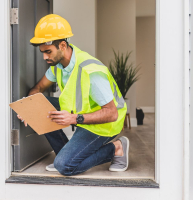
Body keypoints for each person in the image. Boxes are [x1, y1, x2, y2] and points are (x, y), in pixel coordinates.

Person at [17, 14, 129, 176]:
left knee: (65, 166)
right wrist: (29, 107)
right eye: (42, 52)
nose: (44, 57)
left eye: (48, 52)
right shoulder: (58, 66)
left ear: (62, 45)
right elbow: (38, 87)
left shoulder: (90, 71)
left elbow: (111, 113)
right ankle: (66, 153)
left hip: (104, 124)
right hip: (81, 114)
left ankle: (117, 147)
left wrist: (75, 118)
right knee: (40, 105)